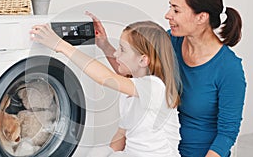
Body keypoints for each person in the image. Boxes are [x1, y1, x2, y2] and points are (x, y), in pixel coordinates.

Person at [86, 0, 247, 156]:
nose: (168, 15)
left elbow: (227, 134)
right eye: (170, 7)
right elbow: (134, 78)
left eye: (176, 10)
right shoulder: (170, 42)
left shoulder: (229, 69)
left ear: (201, 17)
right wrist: (104, 45)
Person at [30, 21, 182, 157]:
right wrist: (103, 45)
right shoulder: (131, 91)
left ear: (143, 60)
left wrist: (61, 46)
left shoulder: (155, 87)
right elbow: (121, 135)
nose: (116, 54)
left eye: (122, 49)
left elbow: (106, 78)